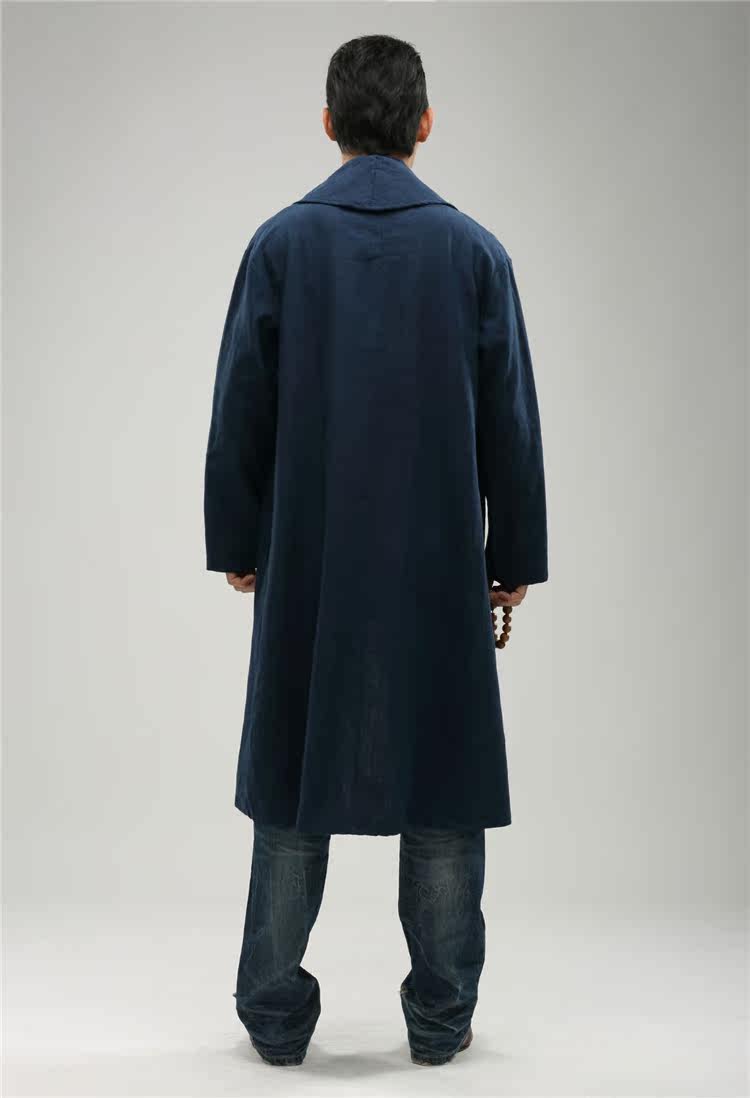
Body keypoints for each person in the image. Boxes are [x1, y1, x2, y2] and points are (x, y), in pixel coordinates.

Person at [203, 33, 548, 1068]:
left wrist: (238, 540)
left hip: (309, 559)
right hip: (438, 564)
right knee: (441, 785)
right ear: (425, 123)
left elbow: (239, 407)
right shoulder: (475, 253)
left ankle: (273, 1015)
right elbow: (511, 422)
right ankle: (441, 1020)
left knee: (291, 778)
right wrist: (512, 556)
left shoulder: (280, 245)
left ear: (328, 123)